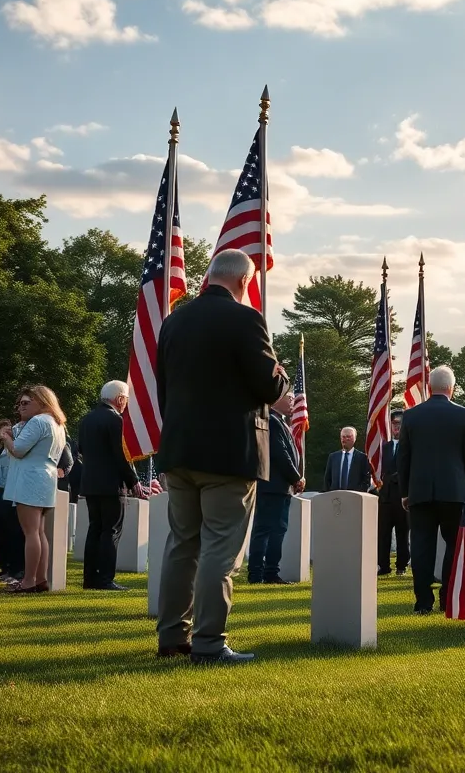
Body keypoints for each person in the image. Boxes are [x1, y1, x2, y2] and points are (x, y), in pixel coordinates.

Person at [154, 249, 294, 665]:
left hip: (180, 447)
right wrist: (281, 372)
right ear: (243, 282)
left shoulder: (174, 320)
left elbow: (163, 388)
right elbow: (270, 388)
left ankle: (171, 636)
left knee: (182, 544)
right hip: (229, 452)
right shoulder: (246, 319)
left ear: (210, 276)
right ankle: (210, 642)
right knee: (220, 547)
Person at [397, 365, 465, 615]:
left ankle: (423, 602)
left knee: (421, 546)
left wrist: (404, 492)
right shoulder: (464, 415)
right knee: (454, 544)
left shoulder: (411, 416)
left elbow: (403, 458)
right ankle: (447, 597)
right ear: (451, 388)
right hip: (454, 492)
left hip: (419, 492)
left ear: (429, 388)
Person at [0, 386, 68, 593]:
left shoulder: (39, 421)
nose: (21, 407)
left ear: (42, 401)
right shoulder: (57, 423)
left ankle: (28, 581)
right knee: (38, 532)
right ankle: (40, 579)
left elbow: (18, 450)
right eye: (20, 403)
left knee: (31, 533)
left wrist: (5, 437)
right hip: (45, 477)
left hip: (30, 479)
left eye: (26, 402)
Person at [77, 380, 143, 591]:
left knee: (94, 529)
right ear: (120, 399)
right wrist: (133, 481)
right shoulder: (116, 421)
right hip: (111, 484)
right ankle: (105, 579)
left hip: (90, 483)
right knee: (111, 531)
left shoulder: (86, 419)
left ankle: (89, 579)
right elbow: (121, 456)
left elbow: (82, 450)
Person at [247, 410, 303, 584]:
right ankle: (266, 573)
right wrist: (296, 477)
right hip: (274, 486)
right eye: (289, 397)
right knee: (270, 530)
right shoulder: (272, 420)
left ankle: (260, 573)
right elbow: (280, 452)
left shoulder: (278, 420)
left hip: (274, 486)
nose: (293, 400)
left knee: (266, 530)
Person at [0, 419, 22, 583]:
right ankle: (4, 567)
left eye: (7, 430)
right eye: (1, 431)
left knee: (13, 530)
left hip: (13, 491)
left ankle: (16, 569)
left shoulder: (15, 446)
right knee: (0, 530)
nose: (4, 432)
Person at [377, 410, 409, 577]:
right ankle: (383, 565)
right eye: (394, 424)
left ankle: (401, 565)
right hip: (385, 496)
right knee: (383, 533)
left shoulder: (409, 447)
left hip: (402, 496)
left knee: (402, 532)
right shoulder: (384, 447)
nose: (397, 427)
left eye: (399, 424)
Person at [322, 426, 371, 492]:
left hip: (354, 497)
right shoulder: (333, 457)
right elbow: (327, 479)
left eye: (348, 437)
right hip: (335, 498)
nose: (344, 439)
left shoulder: (362, 458)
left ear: (354, 438)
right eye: (343, 437)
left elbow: (366, 480)